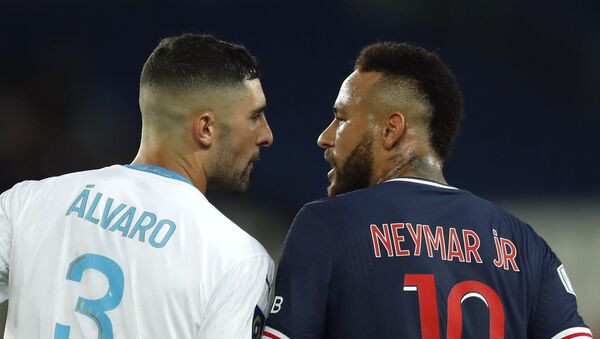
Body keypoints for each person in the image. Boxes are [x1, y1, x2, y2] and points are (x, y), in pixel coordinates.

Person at [262, 42, 593, 339]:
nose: (326, 136)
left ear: (391, 130)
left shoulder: (325, 226)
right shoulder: (525, 246)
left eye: (341, 118)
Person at [0, 33, 275, 338]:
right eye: (255, 116)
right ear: (206, 128)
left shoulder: (26, 202)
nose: (266, 135)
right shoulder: (238, 259)